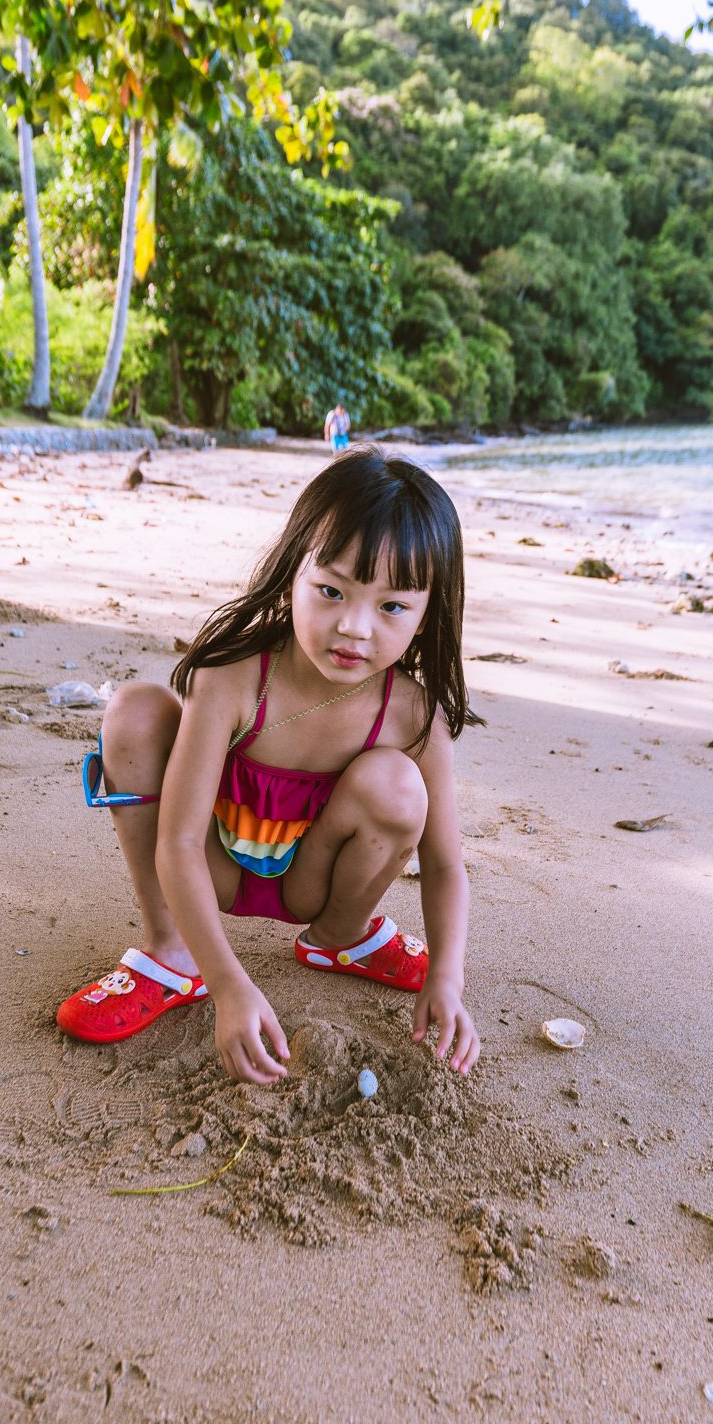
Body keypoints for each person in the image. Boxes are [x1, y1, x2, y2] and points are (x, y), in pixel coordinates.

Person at [57, 449, 482, 1084]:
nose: (354, 627)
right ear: (292, 575)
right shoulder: (231, 677)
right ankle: (174, 954)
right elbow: (177, 842)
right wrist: (229, 986)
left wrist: (448, 977)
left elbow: (446, 865)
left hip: (316, 880)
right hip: (212, 863)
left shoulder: (413, 718)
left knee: (397, 786)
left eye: (392, 607)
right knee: (136, 712)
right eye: (331, 591)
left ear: (427, 617)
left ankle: (344, 935)